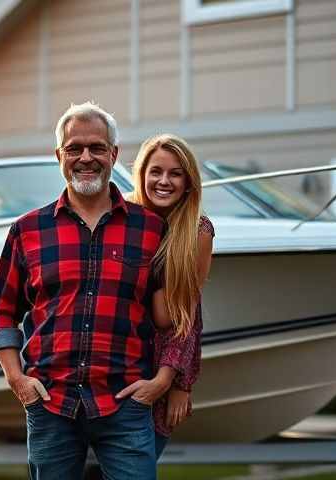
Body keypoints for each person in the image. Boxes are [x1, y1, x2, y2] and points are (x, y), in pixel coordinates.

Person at [0, 102, 177, 480]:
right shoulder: (28, 230)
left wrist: (164, 381)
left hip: (126, 402)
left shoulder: (152, 230)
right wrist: (16, 379)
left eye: (97, 148)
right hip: (50, 403)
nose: (85, 157)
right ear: (59, 156)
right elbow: (1, 311)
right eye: (74, 148)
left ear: (114, 155)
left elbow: (175, 318)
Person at [122, 134, 214, 458]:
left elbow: (186, 317)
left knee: (139, 466)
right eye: (156, 171)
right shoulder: (122, 216)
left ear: (188, 181)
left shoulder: (198, 232)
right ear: (142, 174)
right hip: (115, 360)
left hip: (160, 367)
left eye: (175, 173)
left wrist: (178, 383)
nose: (164, 181)